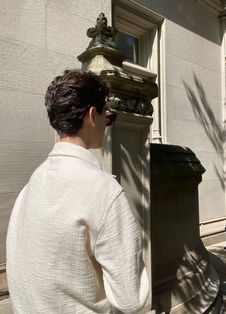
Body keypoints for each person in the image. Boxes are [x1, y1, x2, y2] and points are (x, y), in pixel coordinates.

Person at [6, 69, 149, 314]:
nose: (107, 124)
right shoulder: (104, 192)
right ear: (92, 115)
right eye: (108, 116)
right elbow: (130, 299)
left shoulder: (31, 187)